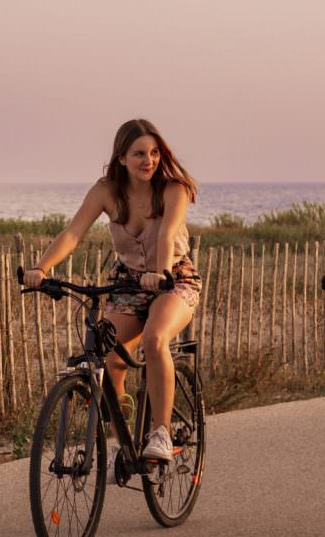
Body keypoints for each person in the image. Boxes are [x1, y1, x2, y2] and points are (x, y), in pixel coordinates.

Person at [16, 119, 204, 463]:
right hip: (129, 282)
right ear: (121, 158)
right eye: (138, 154)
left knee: (155, 338)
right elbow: (73, 233)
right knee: (108, 356)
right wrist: (42, 269)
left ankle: (161, 433)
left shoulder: (173, 189)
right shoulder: (105, 191)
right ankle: (125, 437)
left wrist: (158, 273)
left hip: (173, 278)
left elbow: (165, 235)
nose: (148, 160)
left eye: (153, 153)